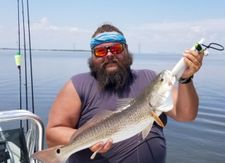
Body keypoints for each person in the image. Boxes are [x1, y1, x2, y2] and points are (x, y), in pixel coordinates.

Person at [46, 23, 204, 163]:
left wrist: (186, 79)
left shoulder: (150, 78)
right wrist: (89, 138)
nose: (109, 55)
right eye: (101, 51)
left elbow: (186, 115)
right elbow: (52, 132)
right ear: (92, 55)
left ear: (126, 49)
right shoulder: (77, 85)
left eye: (116, 49)